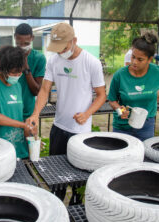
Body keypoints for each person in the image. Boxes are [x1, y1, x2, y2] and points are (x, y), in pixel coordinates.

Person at [26, 22, 106, 155]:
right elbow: (45, 89)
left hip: (80, 129)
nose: (61, 52)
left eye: (64, 48)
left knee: (77, 170)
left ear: (74, 41)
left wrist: (87, 114)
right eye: (57, 49)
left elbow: (101, 95)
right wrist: (36, 113)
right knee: (56, 167)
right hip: (58, 125)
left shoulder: (91, 62)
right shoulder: (53, 61)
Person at [108, 33, 159, 141]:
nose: (134, 62)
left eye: (140, 59)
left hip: (146, 125)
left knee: (144, 155)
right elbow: (112, 100)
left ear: (149, 59)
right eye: (133, 57)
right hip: (122, 126)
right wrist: (120, 110)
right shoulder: (120, 75)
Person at [0, 46, 33, 159]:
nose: (17, 76)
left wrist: (30, 133)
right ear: (3, 69)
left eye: (20, 72)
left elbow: (19, 115)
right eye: (13, 73)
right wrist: (23, 125)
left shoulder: (18, 86)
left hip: (19, 148)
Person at [14, 23, 46, 119]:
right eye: (19, 43)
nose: (23, 46)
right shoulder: (8, 56)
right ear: (15, 37)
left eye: (26, 44)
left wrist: (26, 68)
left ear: (32, 38)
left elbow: (36, 91)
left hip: (28, 111)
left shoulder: (39, 58)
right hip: (10, 111)